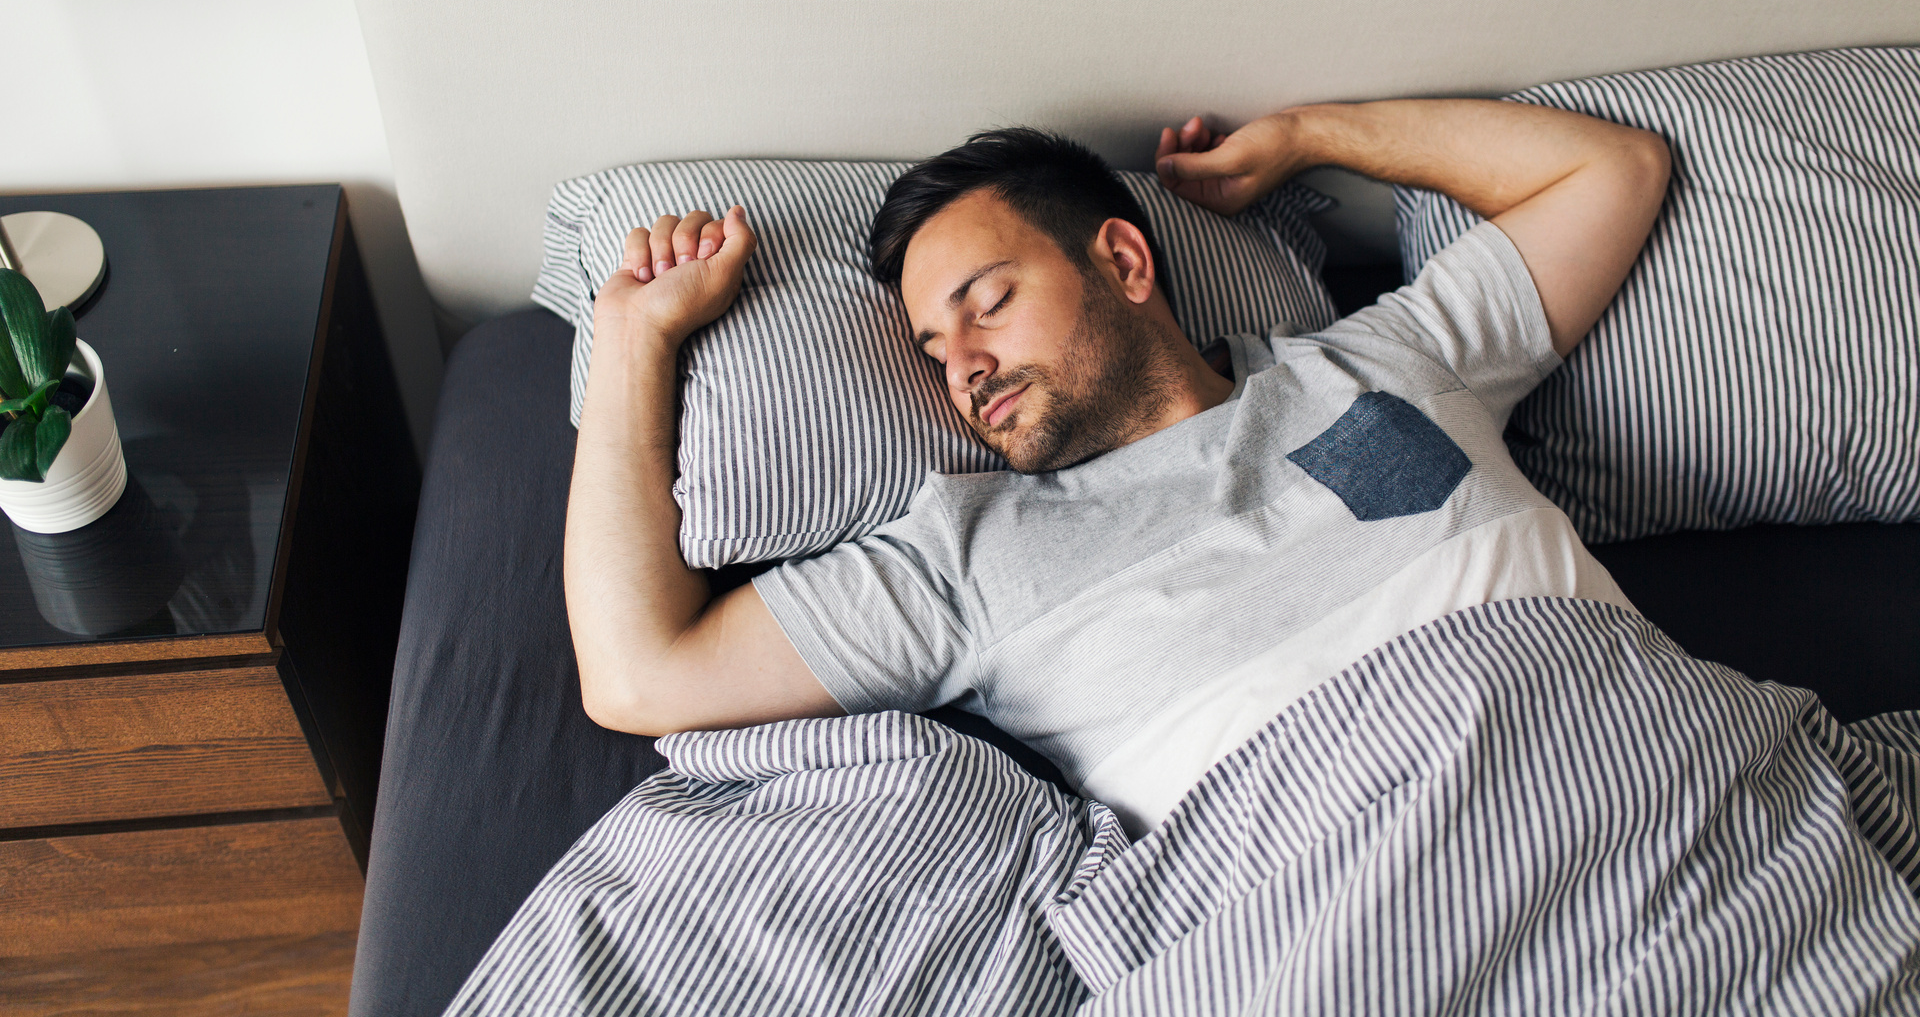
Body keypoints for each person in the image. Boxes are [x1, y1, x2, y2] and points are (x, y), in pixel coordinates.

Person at [563, 98, 1671, 834]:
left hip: (1658, 780)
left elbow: (1613, 168)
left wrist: (1307, 133)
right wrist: (635, 341)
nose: (966, 368)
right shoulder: (964, 558)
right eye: (934, 350)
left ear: (1126, 258)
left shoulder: (1386, 354)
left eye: (987, 304)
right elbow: (638, 672)